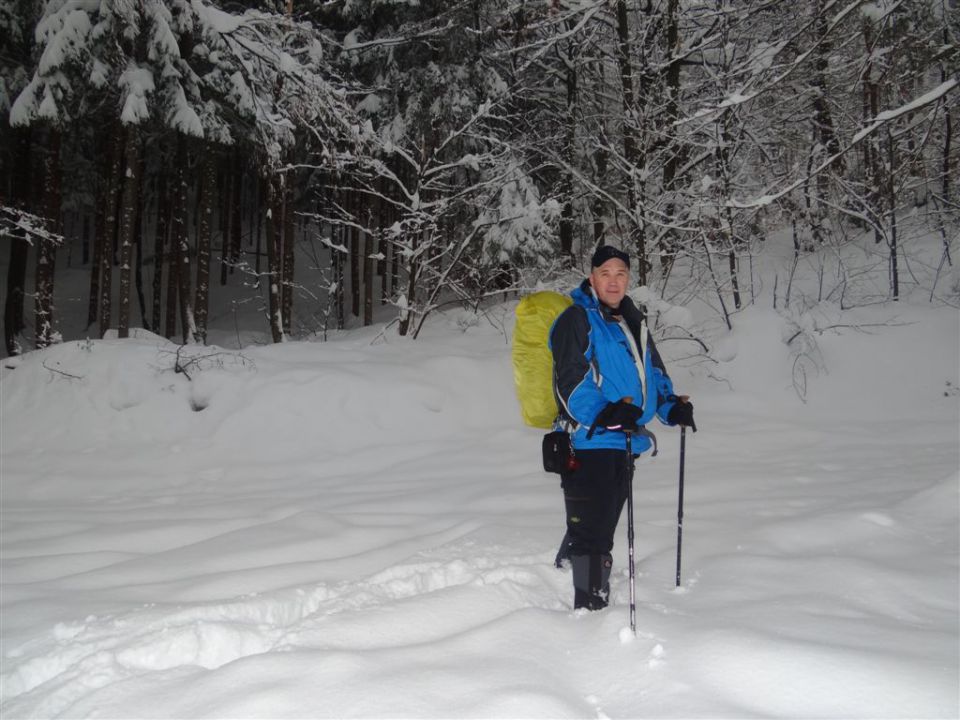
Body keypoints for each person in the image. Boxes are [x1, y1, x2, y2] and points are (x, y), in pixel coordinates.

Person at [549, 245, 695, 610]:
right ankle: (589, 607)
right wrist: (606, 414)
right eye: (605, 273)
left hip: (624, 441)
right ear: (592, 276)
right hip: (588, 440)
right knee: (594, 531)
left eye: (621, 274)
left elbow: (653, 376)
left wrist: (670, 407)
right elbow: (571, 381)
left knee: (603, 518)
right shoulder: (577, 319)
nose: (614, 281)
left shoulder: (633, 321)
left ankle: (566, 566)